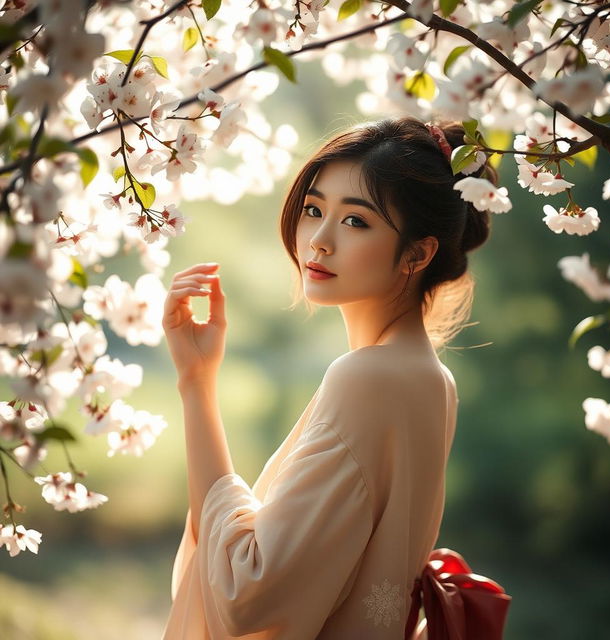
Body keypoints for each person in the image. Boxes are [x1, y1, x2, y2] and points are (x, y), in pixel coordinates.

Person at [160, 115, 493, 639]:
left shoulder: (369, 377)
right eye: (314, 210)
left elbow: (249, 591)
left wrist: (196, 385)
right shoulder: (431, 379)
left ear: (417, 253)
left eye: (356, 221)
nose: (317, 241)